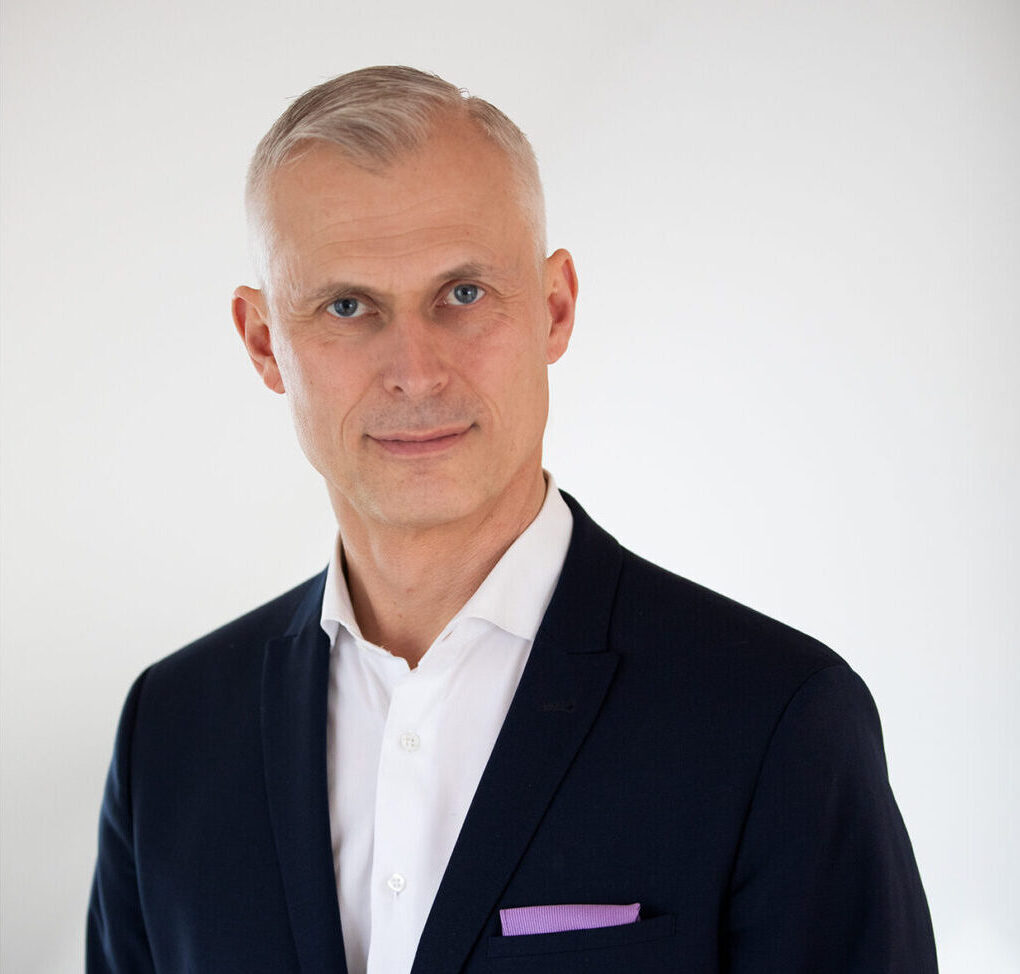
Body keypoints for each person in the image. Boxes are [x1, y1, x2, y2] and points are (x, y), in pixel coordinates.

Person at [87, 65, 938, 973]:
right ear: (264, 343)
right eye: (347, 306)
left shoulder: (775, 720)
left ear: (555, 308)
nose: (416, 372)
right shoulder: (168, 735)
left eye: (463, 295)